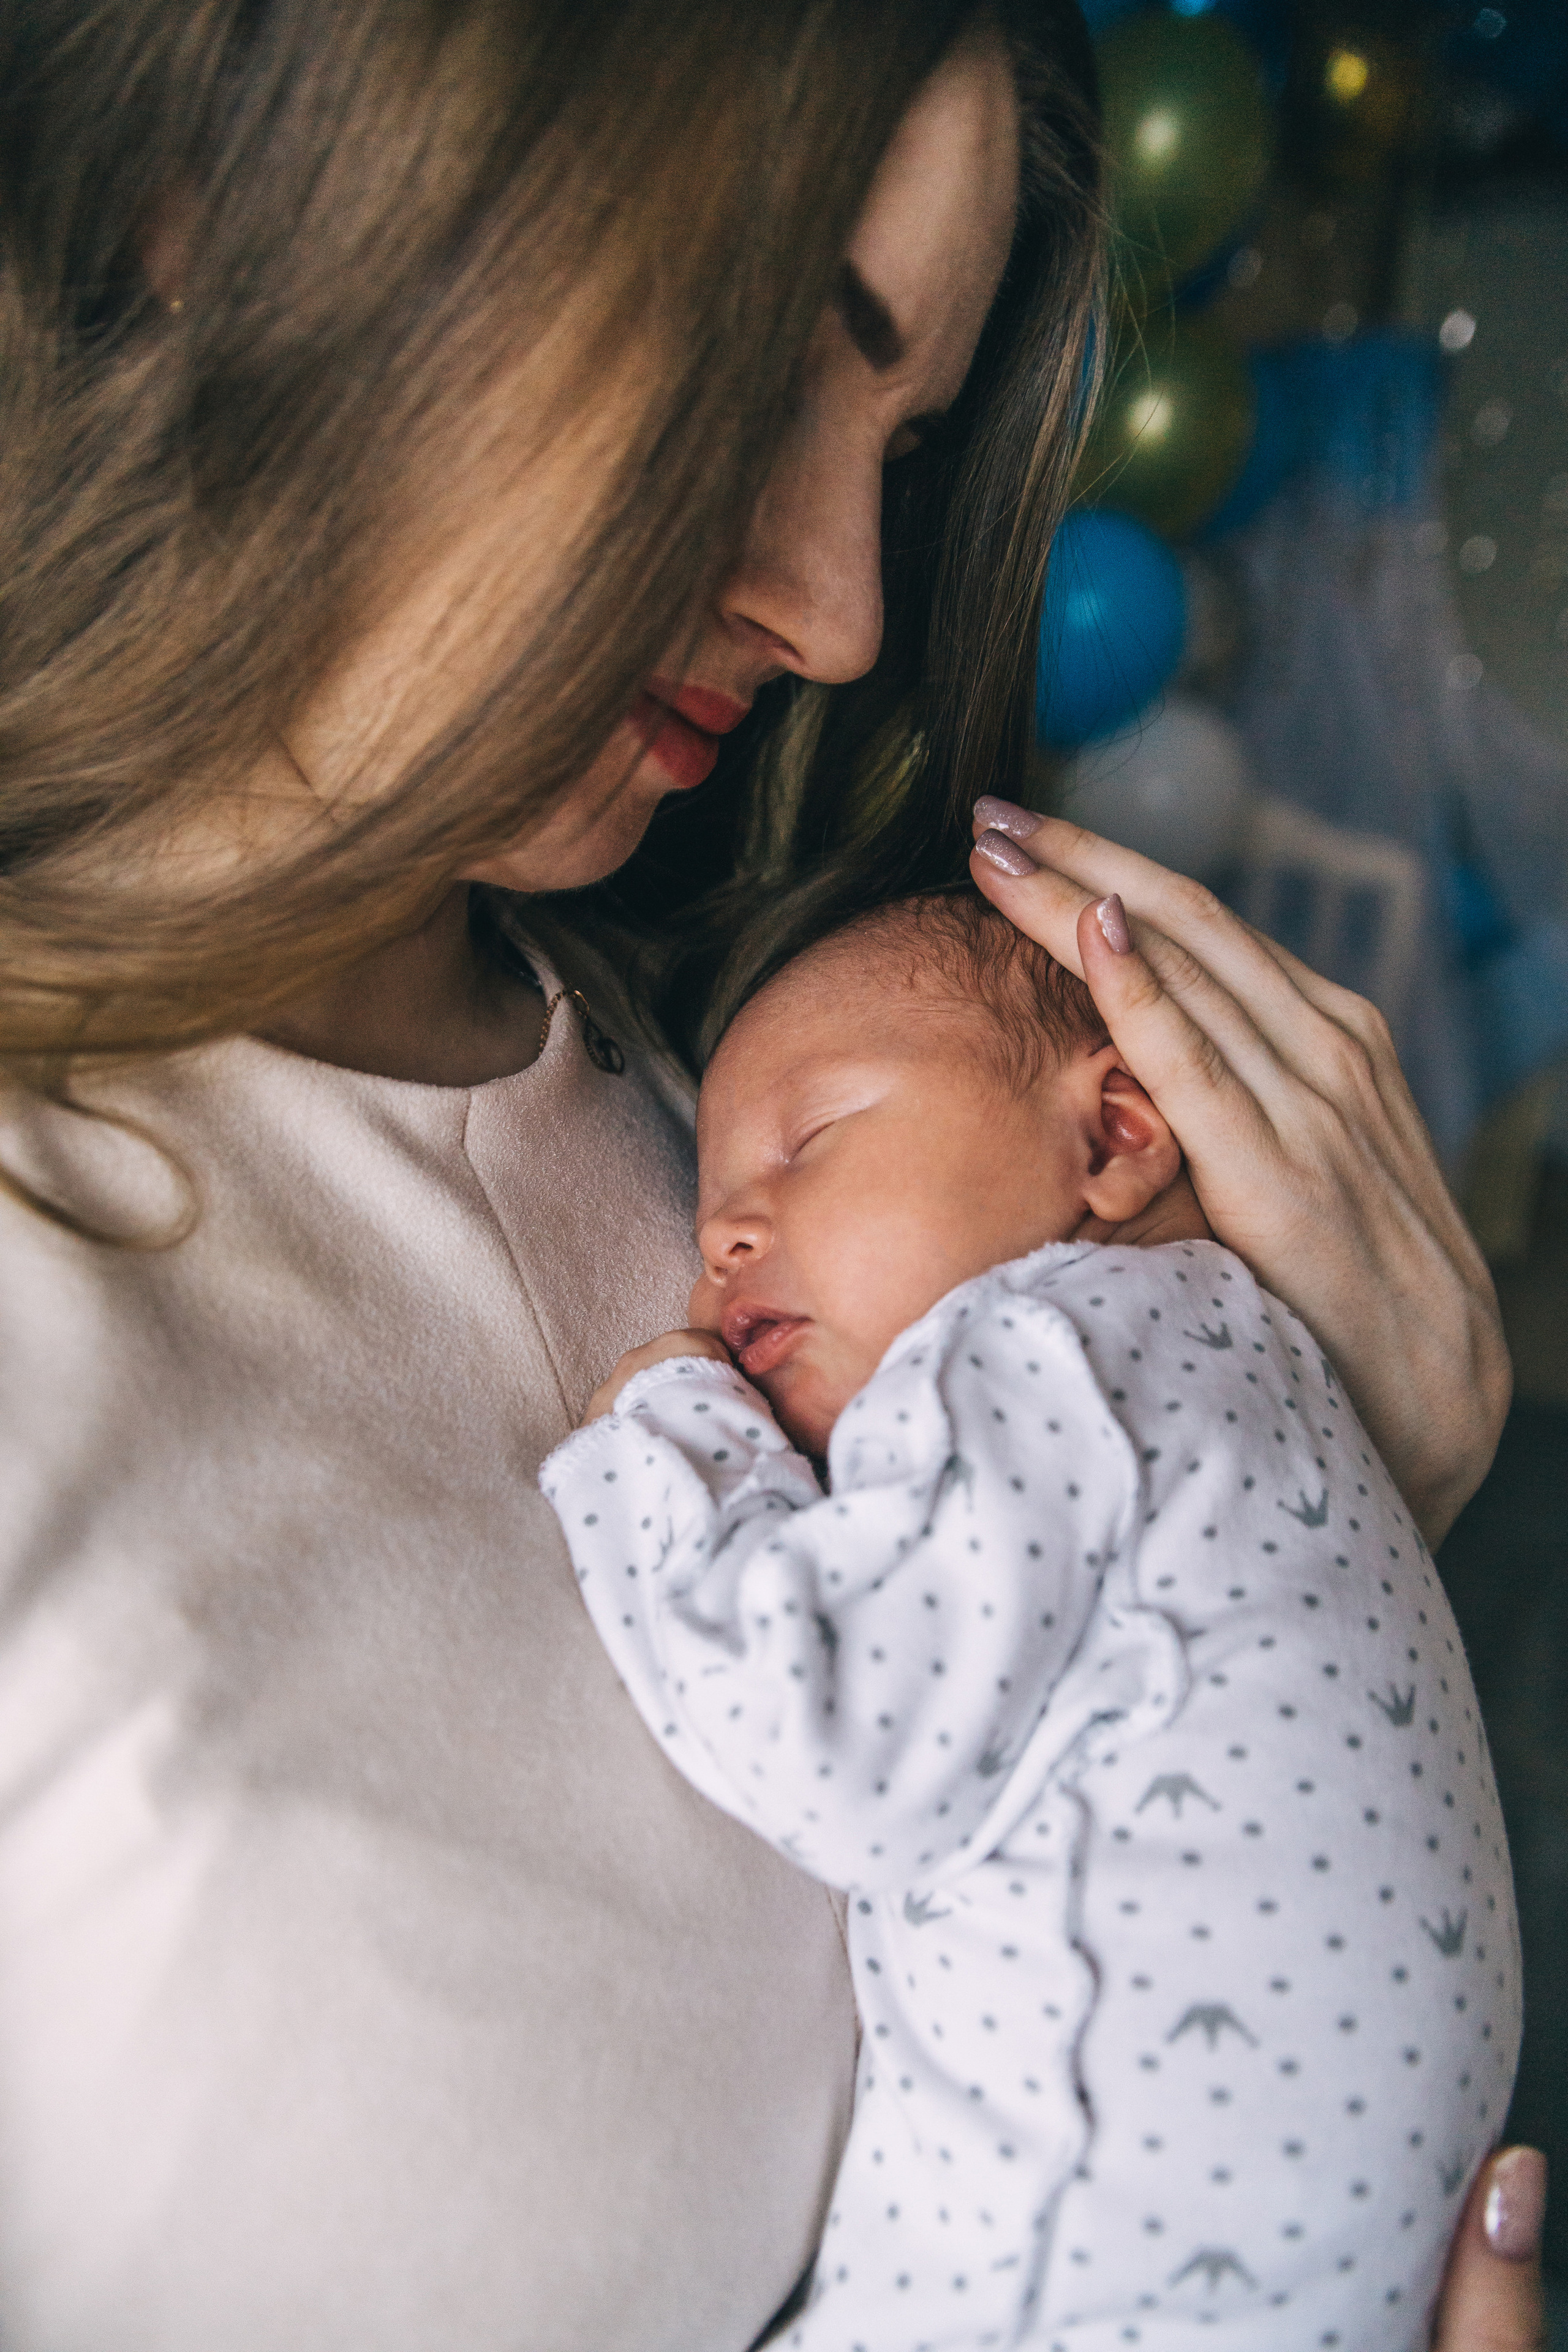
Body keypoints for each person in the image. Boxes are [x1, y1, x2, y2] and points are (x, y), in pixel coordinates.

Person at [0, 2, 1534, 2346]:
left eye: (901, 451)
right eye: (758, 363)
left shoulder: (796, 1149)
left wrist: (1328, 1511)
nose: (841, 607)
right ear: (240, 198)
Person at [542, 887, 1521, 2350]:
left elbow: (821, 1731)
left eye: (808, 1141)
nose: (729, 1232)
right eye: (703, 1218)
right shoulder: (1259, 1384)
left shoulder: (1044, 1345)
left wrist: (672, 1443)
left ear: (1113, 1134)